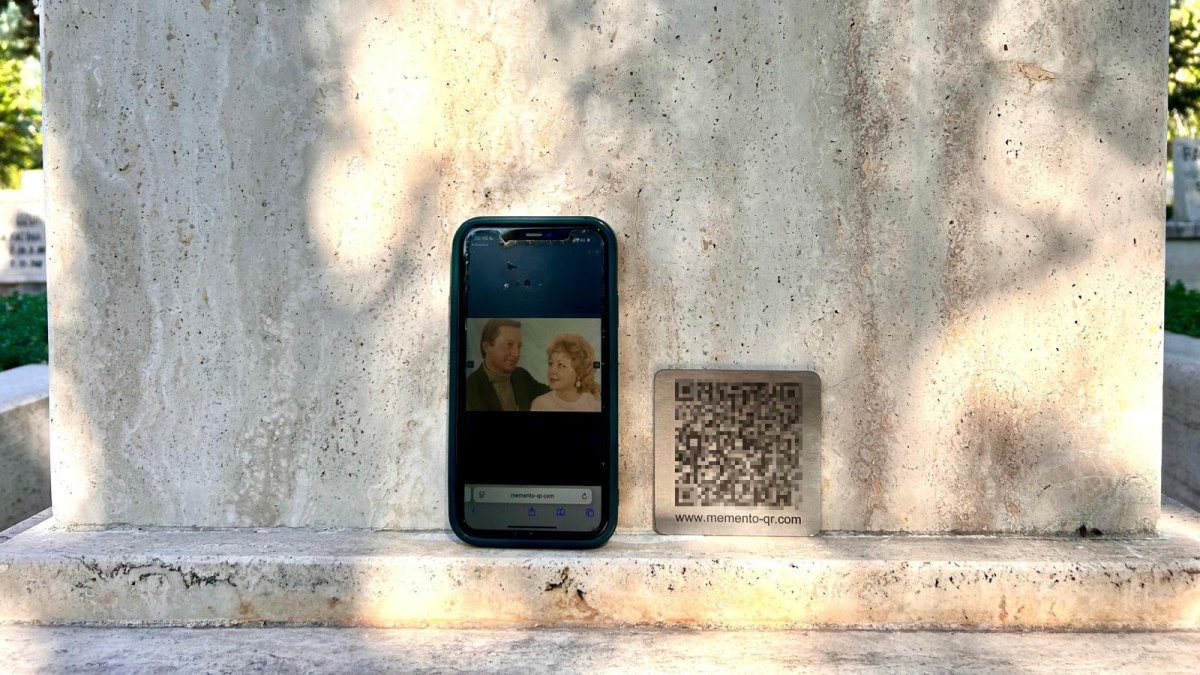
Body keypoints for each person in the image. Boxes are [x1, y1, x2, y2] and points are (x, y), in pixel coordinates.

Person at [466, 319, 549, 411]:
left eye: (519, 346)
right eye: (509, 344)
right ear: (486, 347)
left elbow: (554, 394)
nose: (516, 353)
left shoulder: (521, 375)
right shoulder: (469, 389)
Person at [530, 333, 601, 412]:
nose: (552, 370)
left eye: (561, 365)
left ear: (579, 373)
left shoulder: (594, 403)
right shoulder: (540, 404)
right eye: (551, 363)